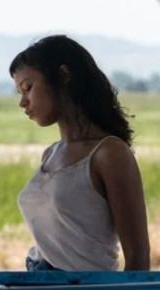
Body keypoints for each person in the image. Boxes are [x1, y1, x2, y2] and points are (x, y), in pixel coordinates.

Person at [10, 35, 150, 271]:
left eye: (28, 88)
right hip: (39, 288)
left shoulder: (109, 154)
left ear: (63, 76)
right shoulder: (50, 154)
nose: (23, 102)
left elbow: (138, 257)